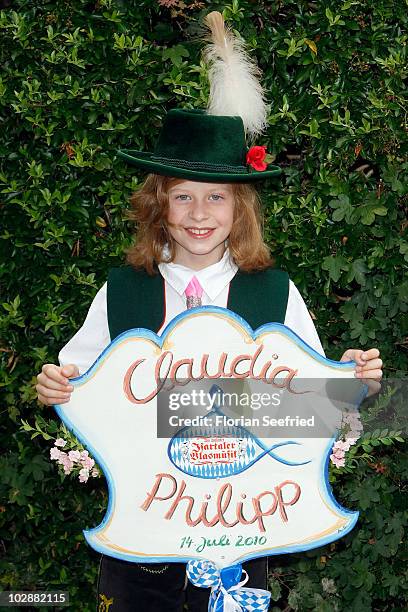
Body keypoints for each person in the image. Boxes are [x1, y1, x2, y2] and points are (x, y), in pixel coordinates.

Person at [35, 12, 383, 612]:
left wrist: (346, 378)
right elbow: (77, 385)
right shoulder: (124, 291)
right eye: (184, 196)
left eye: (216, 197)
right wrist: (56, 386)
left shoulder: (273, 292)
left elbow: (307, 403)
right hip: (144, 532)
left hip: (243, 526)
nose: (200, 213)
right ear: (159, 206)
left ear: (239, 208)